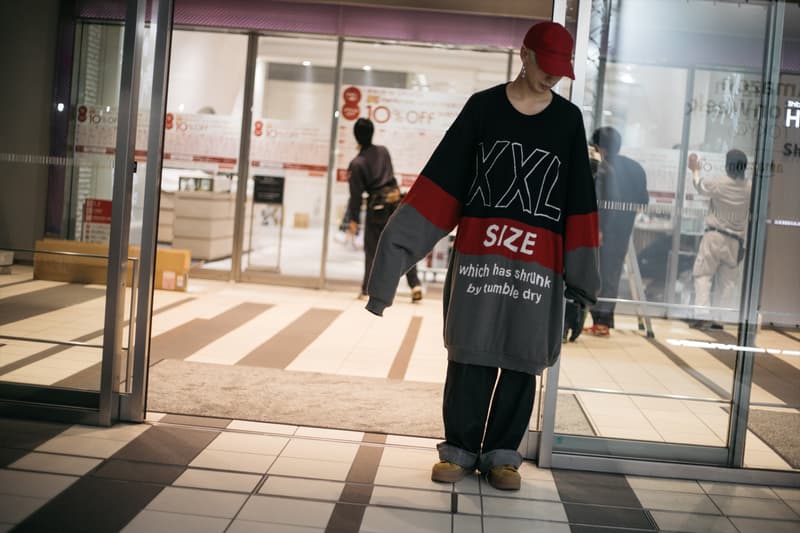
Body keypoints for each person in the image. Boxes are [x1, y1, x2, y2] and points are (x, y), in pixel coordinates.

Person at [363, 22, 600, 491]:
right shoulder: (483, 109)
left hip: (537, 266)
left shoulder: (567, 122)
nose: (553, 78)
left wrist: (582, 286)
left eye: (561, 70)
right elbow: (441, 185)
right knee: (470, 351)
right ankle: (459, 449)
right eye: (546, 66)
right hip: (479, 258)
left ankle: (503, 456)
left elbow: (579, 204)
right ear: (524, 55)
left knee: (523, 356)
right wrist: (391, 266)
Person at [345, 118, 423, 302]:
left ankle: (367, 289)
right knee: (402, 245)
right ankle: (415, 285)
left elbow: (355, 196)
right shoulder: (383, 151)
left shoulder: (357, 163)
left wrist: (353, 219)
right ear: (372, 132)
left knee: (373, 249)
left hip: (377, 209)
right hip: (396, 203)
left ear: (355, 136)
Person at [583, 127, 649, 336]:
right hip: (623, 231)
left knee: (598, 275)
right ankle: (604, 321)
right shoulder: (635, 168)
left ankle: (600, 322)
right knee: (611, 274)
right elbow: (643, 202)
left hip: (602, 230)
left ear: (600, 147)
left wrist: (600, 228)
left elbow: (600, 201)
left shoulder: (602, 168)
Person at [688, 149, 751, 330]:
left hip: (714, 236)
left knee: (703, 275)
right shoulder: (750, 187)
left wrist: (695, 169)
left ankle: (701, 315)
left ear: (727, 165)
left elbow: (700, 186)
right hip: (736, 240)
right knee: (728, 282)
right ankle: (719, 319)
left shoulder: (720, 183)